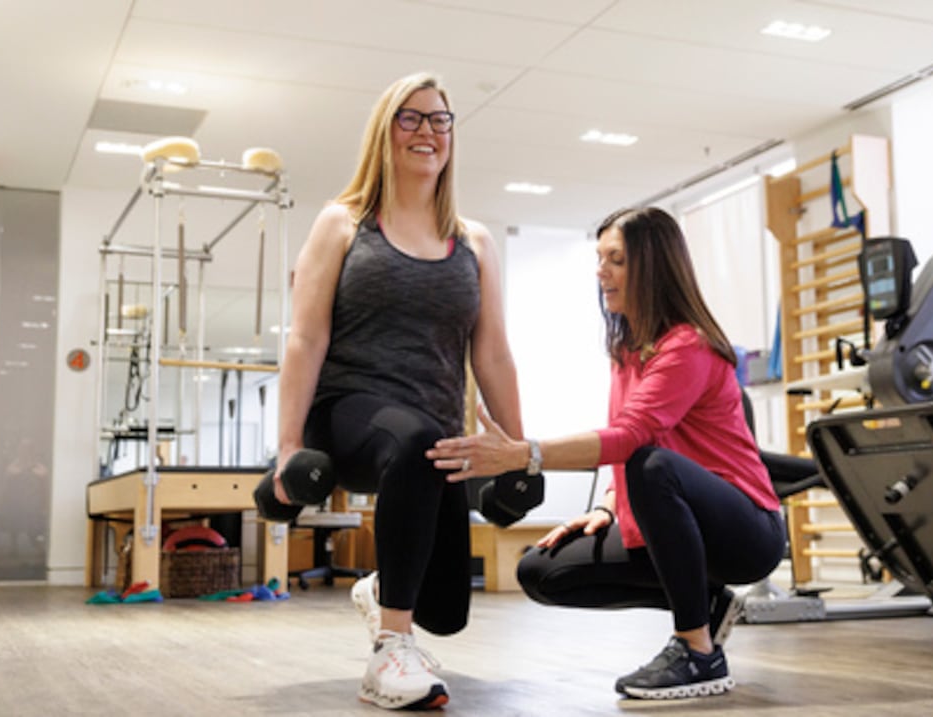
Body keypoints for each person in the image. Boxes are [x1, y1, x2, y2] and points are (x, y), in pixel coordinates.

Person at [427, 206, 785, 700]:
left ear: (653, 265)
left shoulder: (688, 346)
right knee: (541, 571)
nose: (601, 272)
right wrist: (605, 507)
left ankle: (698, 652)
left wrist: (520, 454)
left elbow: (631, 439)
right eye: (599, 259)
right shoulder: (627, 352)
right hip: (680, 522)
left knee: (650, 464)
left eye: (614, 259)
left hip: (747, 533)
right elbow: (627, 438)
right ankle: (706, 605)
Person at [272, 72, 524, 710]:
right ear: (384, 132)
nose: (426, 132)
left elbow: (492, 352)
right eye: (409, 118)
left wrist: (518, 452)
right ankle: (390, 649)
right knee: (412, 441)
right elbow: (305, 340)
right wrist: (287, 448)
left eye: (440, 120)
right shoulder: (344, 224)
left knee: (447, 610)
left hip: (434, 433)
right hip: (351, 413)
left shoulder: (474, 242)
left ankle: (386, 594)